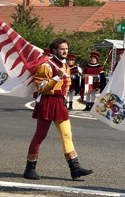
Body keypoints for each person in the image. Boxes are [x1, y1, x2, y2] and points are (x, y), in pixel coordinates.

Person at [23, 38, 93, 180]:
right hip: (47, 102)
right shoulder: (46, 66)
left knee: (67, 135)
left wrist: (65, 95)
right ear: (54, 50)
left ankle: (75, 168)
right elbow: (40, 87)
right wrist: (56, 78)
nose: (65, 51)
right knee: (40, 135)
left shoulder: (65, 66)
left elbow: (66, 85)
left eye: (66, 49)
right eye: (62, 49)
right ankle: (29, 168)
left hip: (59, 103)